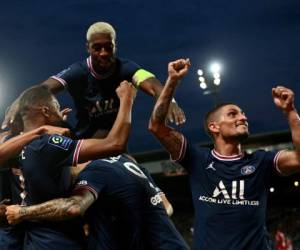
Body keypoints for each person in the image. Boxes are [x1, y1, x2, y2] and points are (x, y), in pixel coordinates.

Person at [148, 58, 300, 249]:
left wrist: (290, 112)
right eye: (233, 114)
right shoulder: (198, 159)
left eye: (242, 113)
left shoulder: (262, 161)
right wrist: (172, 81)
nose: (243, 117)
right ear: (214, 127)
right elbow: (156, 126)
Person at [1, 81, 135, 249]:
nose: (60, 111)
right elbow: (115, 144)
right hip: (59, 241)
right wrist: (127, 100)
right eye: (56, 106)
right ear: (45, 111)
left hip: (27, 241)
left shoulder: (11, 144)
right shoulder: (50, 143)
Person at [2, 21, 185, 139]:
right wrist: (20, 100)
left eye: (108, 47)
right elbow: (43, 89)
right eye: (97, 48)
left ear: (115, 46)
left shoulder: (127, 68)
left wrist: (170, 99)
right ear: (88, 48)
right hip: (83, 143)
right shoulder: (77, 71)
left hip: (115, 142)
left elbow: (153, 85)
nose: (103, 53)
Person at [6, 154, 189, 250]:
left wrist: (22, 212)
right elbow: (167, 207)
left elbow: (73, 207)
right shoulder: (124, 160)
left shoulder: (93, 172)